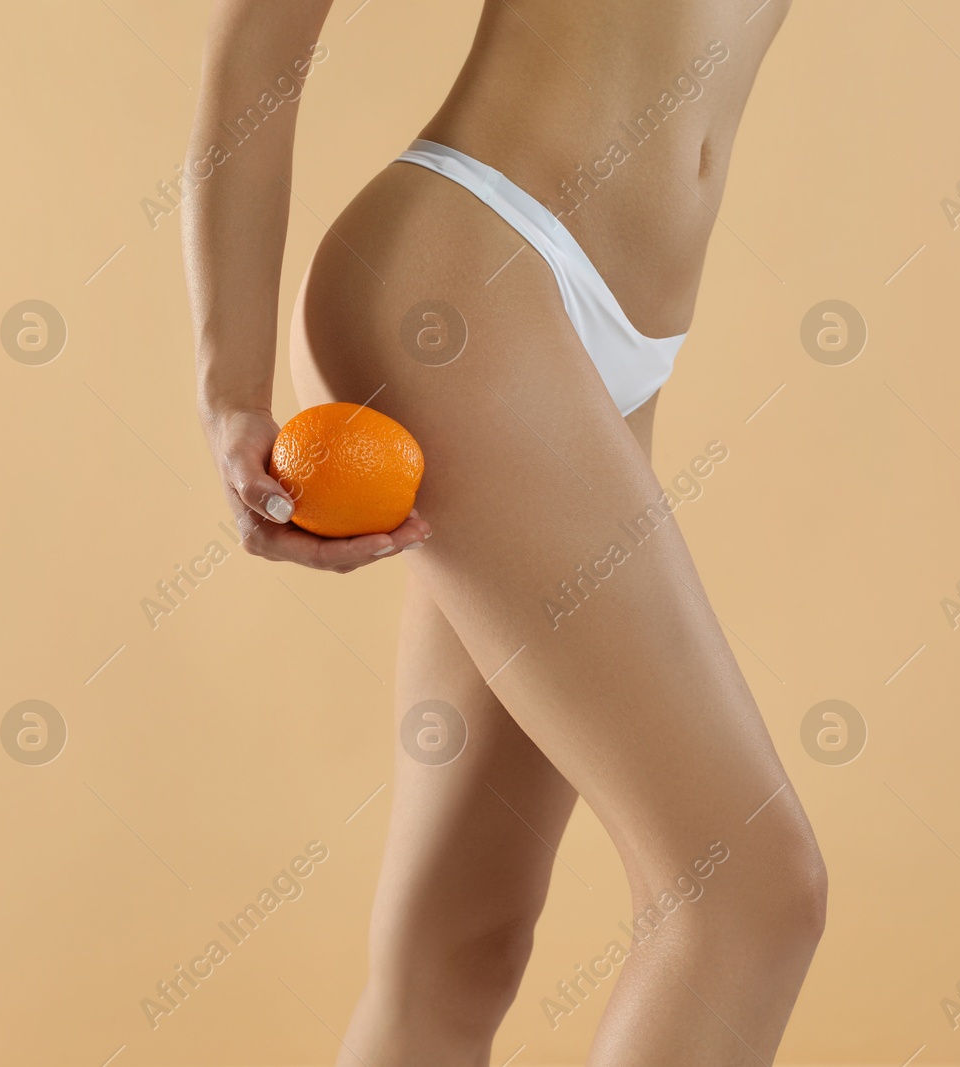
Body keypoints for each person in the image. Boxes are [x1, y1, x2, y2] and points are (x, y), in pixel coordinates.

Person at [182, 2, 825, 1063]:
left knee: (460, 943)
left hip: (612, 344)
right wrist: (228, 387)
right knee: (750, 895)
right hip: (472, 276)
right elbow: (258, 31)